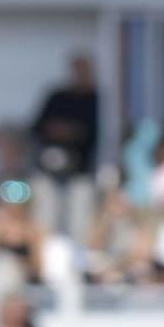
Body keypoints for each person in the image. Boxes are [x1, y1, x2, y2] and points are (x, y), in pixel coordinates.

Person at [30, 54, 99, 237]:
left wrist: (74, 132)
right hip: (49, 170)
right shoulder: (57, 97)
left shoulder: (96, 99)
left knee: (79, 222)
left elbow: (96, 132)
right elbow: (36, 127)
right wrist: (58, 130)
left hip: (81, 171)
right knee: (46, 219)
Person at [0, 193, 47, 293]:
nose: (14, 209)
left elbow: (37, 268)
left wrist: (22, 262)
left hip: (24, 281)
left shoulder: (33, 231)